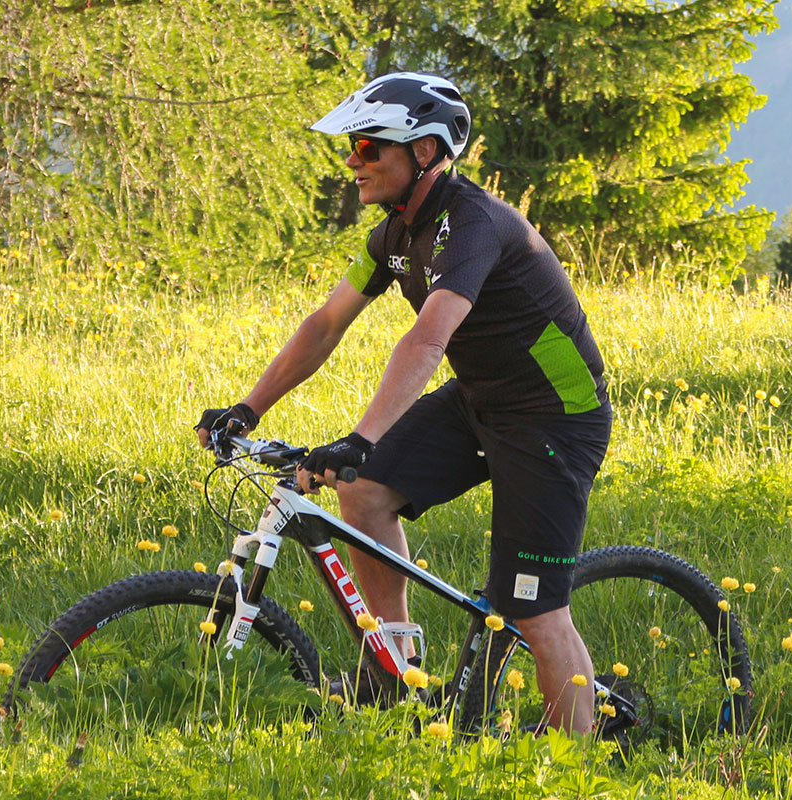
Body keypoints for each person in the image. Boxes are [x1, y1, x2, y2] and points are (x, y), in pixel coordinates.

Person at [195, 72, 615, 729]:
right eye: (353, 148)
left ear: (423, 152)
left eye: (368, 147)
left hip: (553, 417)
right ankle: (395, 678)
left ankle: (578, 769)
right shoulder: (394, 235)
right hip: (481, 398)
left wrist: (361, 437)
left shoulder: (474, 225)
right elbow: (326, 323)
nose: (352, 161)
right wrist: (249, 408)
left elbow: (426, 338)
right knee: (363, 493)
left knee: (535, 610)